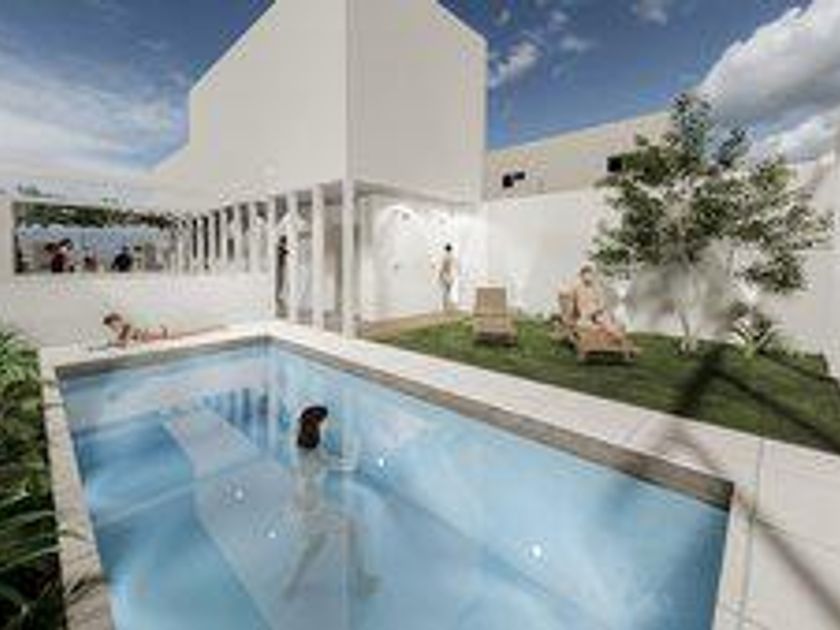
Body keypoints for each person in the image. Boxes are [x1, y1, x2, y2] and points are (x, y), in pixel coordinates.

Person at [282, 405, 377, 599]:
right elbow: (347, 466)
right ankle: (360, 580)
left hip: (306, 503)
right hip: (312, 507)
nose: (328, 425)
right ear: (317, 426)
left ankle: (291, 585)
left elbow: (325, 460)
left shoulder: (302, 444)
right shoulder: (314, 455)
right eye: (325, 422)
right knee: (350, 529)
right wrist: (356, 445)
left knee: (315, 545)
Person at [570, 265, 623, 341]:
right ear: (581, 276)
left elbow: (601, 303)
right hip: (585, 315)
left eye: (590, 275)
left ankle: (615, 334)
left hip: (597, 313)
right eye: (585, 275)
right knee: (587, 325)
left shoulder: (596, 288)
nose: (588, 277)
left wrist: (597, 310)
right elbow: (575, 306)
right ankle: (611, 333)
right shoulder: (577, 289)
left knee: (605, 320)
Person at [103, 312, 169, 347]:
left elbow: (125, 344)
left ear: (118, 321)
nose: (112, 328)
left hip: (163, 333)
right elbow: (121, 341)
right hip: (159, 334)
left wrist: (112, 344)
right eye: (110, 327)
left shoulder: (129, 327)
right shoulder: (123, 332)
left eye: (112, 325)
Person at [438, 244, 457, 312]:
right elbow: (454, 267)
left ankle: (445, 305)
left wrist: (440, 274)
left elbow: (444, 267)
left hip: (446, 275)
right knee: (449, 290)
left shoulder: (445, 257)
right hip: (451, 276)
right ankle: (448, 305)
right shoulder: (453, 257)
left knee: (445, 291)